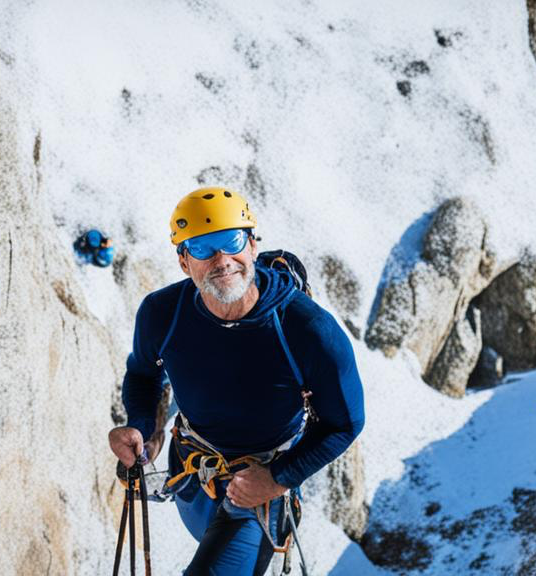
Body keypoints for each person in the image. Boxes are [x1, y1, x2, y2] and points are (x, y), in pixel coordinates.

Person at [108, 187, 365, 575]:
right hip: (193, 477)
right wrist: (144, 427)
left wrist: (279, 479)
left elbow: (345, 422)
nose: (222, 260)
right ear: (183, 261)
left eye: (231, 241)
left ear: (252, 246)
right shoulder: (162, 313)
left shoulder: (308, 329)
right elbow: (145, 373)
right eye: (202, 248)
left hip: (259, 491)